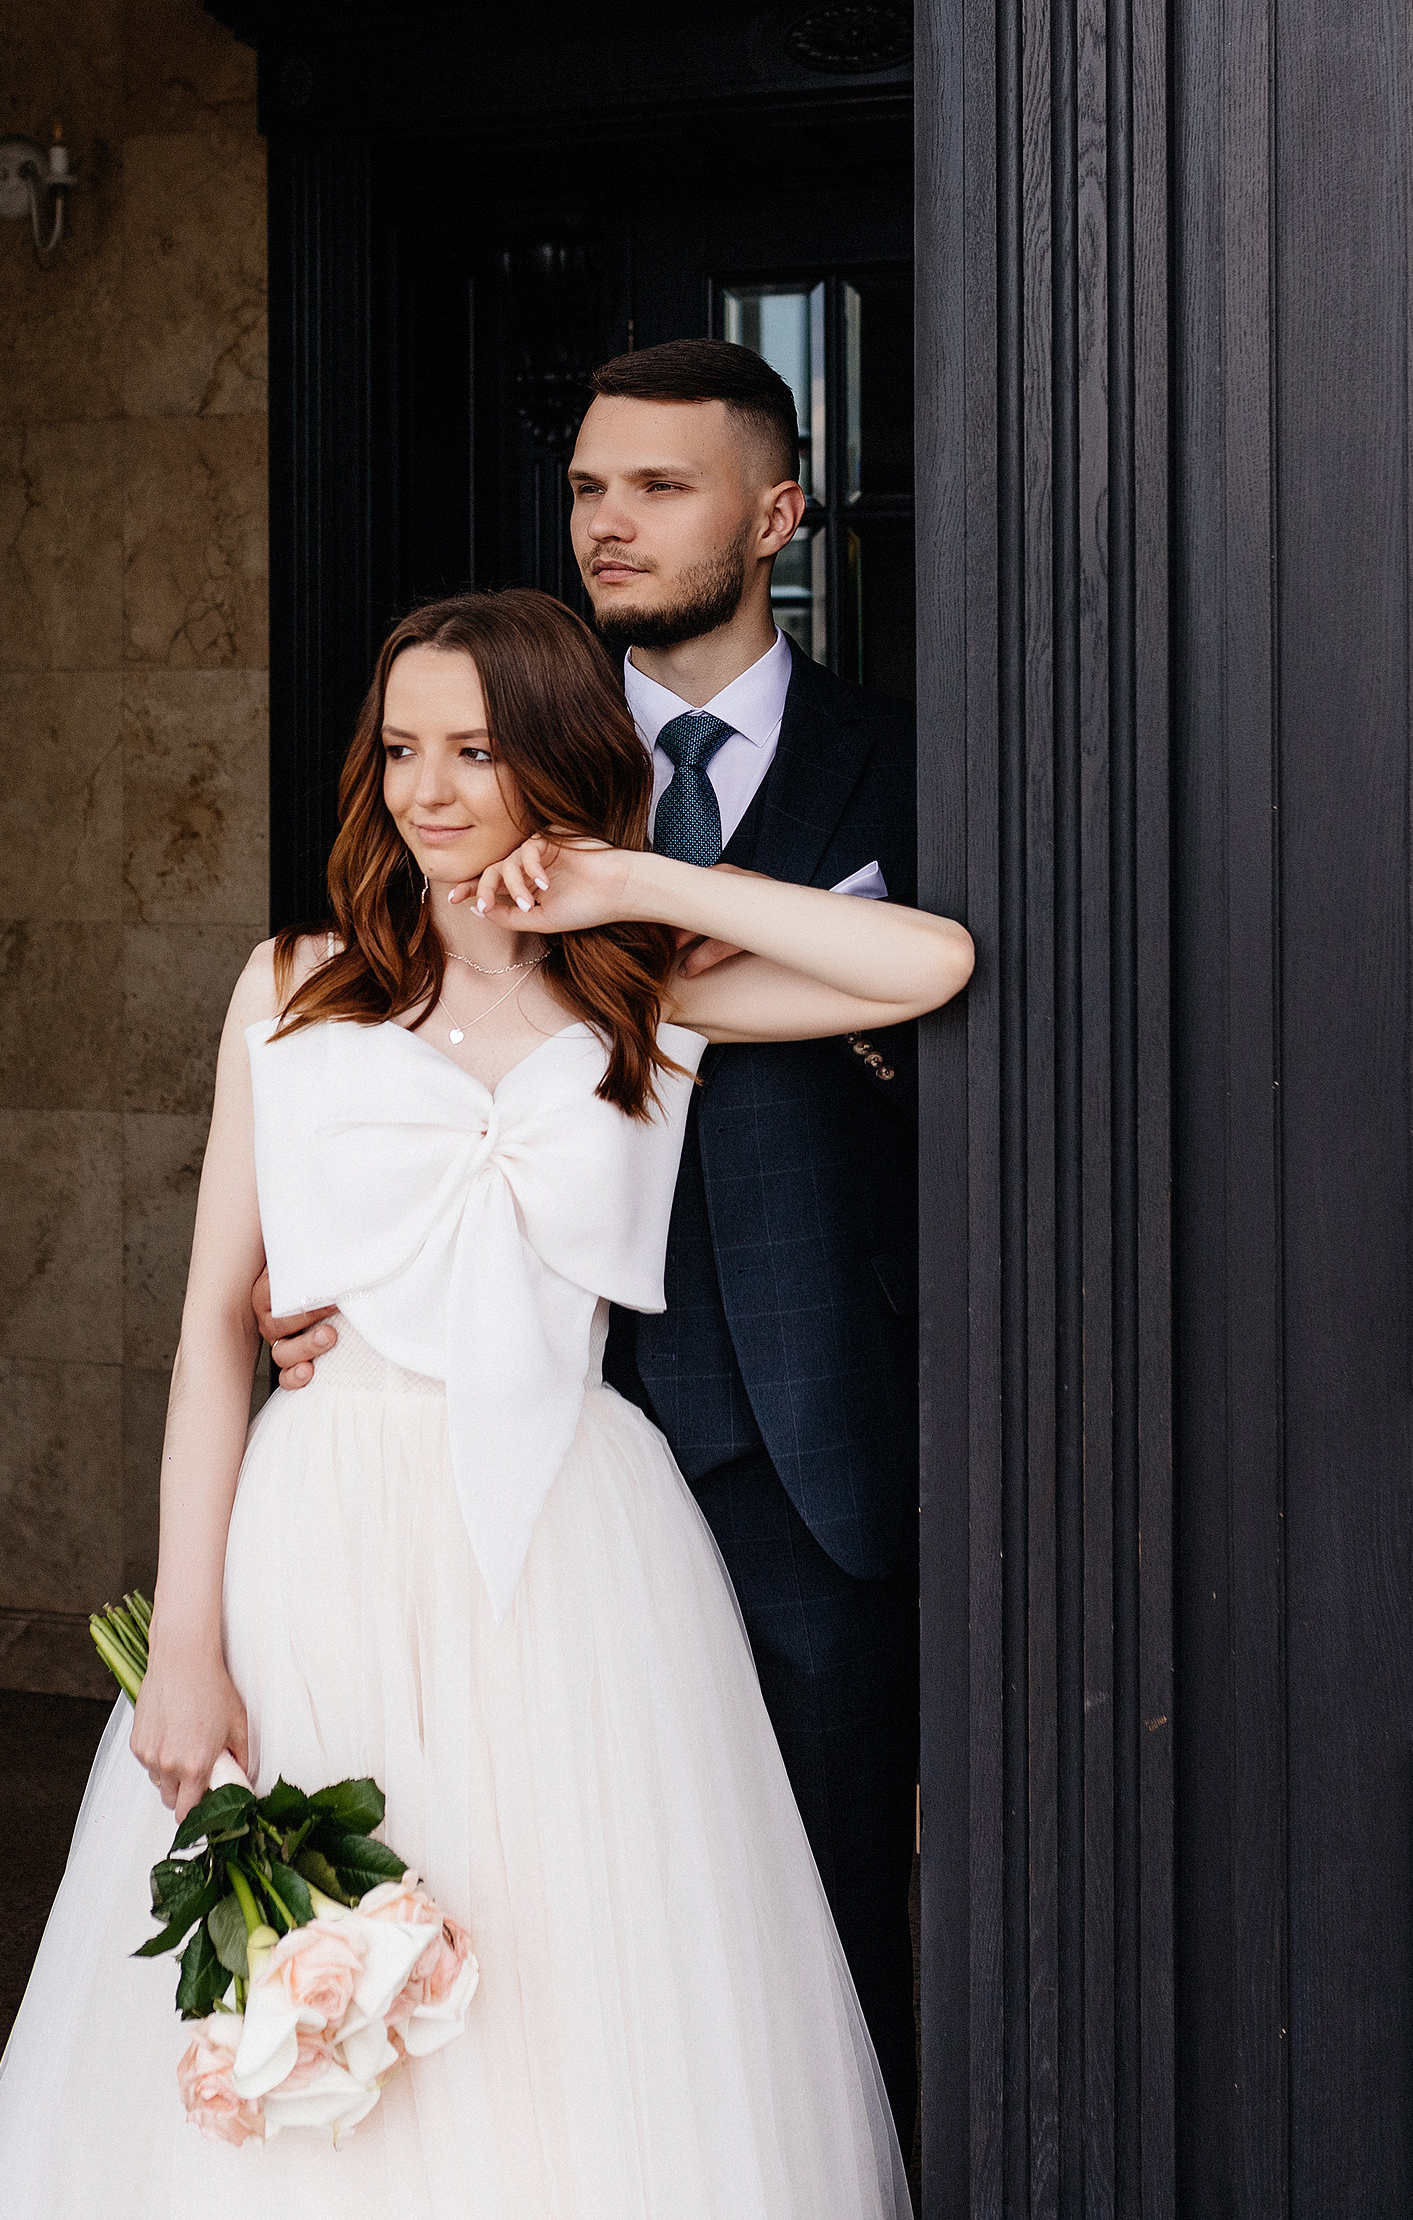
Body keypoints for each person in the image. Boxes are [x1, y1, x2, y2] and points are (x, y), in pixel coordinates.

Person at [0, 587, 971, 2220]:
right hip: (324, 1531)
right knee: (314, 1966)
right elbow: (215, 1327)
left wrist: (634, 882)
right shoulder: (292, 988)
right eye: (402, 746)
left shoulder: (651, 999)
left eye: (476, 751)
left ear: (556, 760)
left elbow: (929, 961)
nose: (427, 788)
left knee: (571, 1961)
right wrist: (187, 1648)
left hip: (577, 1544)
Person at [262, 341, 925, 2137]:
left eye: (660, 486)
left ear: (777, 514)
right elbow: (340, 1070)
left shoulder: (909, 756)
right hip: (514, 1442)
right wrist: (310, 1283)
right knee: (501, 1902)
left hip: (804, 1431)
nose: (607, 522)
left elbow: (964, 1004)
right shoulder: (485, 769)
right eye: (585, 488)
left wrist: (663, 893)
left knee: (791, 1937)